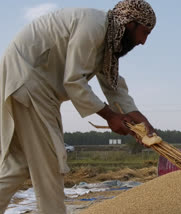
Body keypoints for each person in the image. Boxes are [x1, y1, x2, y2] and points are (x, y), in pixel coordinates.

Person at [0, 0, 156, 213]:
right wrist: (110, 116)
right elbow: (73, 81)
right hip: (30, 82)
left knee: (18, 164)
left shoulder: (107, 39)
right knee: (51, 163)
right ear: (130, 23)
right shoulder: (94, 26)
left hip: (30, 85)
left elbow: (113, 84)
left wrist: (137, 116)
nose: (143, 42)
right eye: (145, 33)